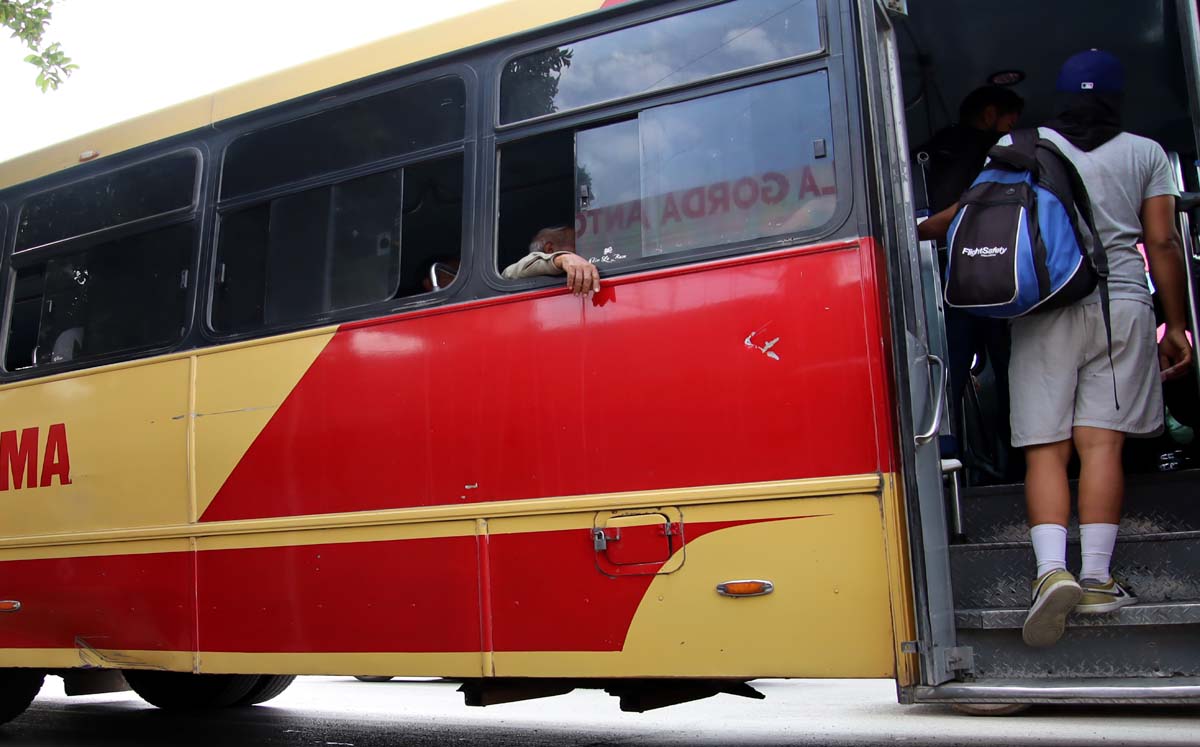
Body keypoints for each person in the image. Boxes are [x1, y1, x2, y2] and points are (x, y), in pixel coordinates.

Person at [929, 50, 1194, 648]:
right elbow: (1161, 240)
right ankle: (1097, 577)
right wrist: (1175, 323)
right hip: (1123, 307)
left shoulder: (1027, 144)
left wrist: (917, 226)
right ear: (1118, 98)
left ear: (1063, 96)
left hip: (1043, 310)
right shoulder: (1146, 153)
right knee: (1101, 443)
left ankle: (1052, 571)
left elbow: (969, 214)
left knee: (1045, 448)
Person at [915, 86, 1025, 477]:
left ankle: (950, 464)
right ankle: (1019, 461)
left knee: (952, 371)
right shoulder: (987, 150)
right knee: (1012, 366)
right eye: (1011, 118)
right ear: (991, 112)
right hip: (991, 273)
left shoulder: (936, 147)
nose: (1014, 127)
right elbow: (969, 203)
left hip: (953, 276)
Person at [502, 226, 600, 296]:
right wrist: (562, 258)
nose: (582, 249)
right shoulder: (520, 270)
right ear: (550, 249)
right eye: (576, 244)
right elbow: (510, 272)